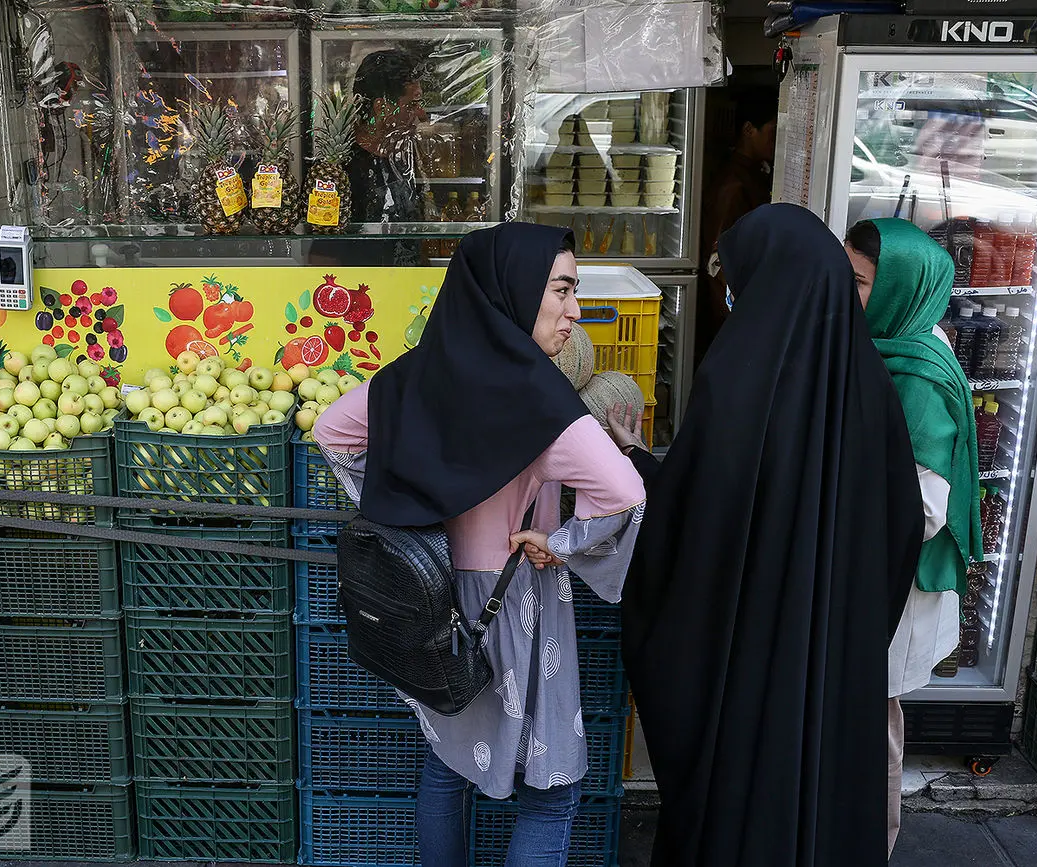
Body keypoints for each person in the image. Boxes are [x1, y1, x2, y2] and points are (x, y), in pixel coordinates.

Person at [314, 223, 646, 866]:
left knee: (446, 768)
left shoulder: (415, 376)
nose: (575, 312)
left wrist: (407, 513)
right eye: (562, 291)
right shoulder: (545, 402)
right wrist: (562, 541)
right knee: (550, 792)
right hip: (515, 600)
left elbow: (333, 431)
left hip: (431, 599)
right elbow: (627, 490)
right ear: (517, 292)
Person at [620, 204, 925, 866]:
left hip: (743, 679)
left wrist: (643, 466)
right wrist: (840, 632)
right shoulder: (871, 390)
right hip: (829, 674)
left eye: (735, 274)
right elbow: (901, 532)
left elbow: (694, 525)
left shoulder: (736, 385)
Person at [845, 218, 983, 856]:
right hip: (878, 576)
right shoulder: (888, 346)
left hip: (899, 581)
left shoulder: (918, 376)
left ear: (902, 286)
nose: (850, 296)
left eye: (862, 283)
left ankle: (871, 845)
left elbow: (923, 506)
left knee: (875, 728)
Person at [696, 87, 778, 364]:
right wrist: (734, 318)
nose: (777, 142)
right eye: (772, 132)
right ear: (748, 129)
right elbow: (716, 261)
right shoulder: (733, 185)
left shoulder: (754, 175)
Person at [347, 49, 429, 223]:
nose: (422, 115)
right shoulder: (342, 172)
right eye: (412, 105)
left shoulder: (409, 154)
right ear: (381, 108)